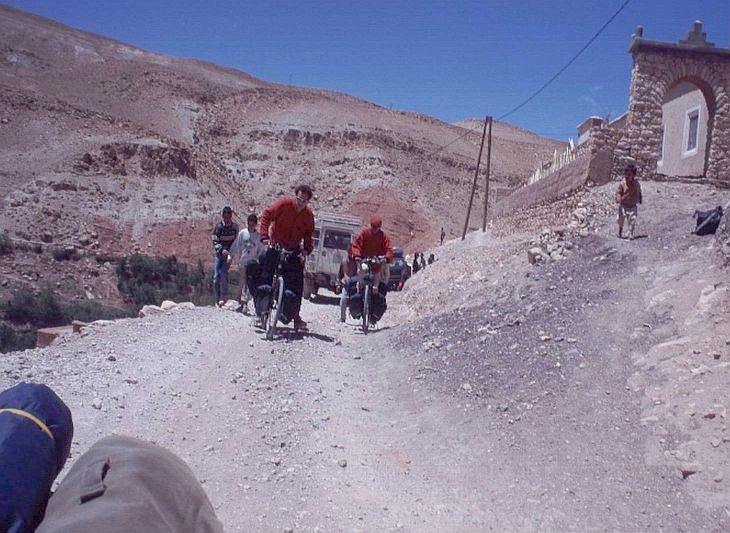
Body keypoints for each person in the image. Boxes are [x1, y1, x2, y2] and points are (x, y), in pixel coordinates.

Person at [258, 184, 315, 331]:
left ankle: (295, 317)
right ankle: (260, 312)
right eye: (298, 199)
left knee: (297, 283)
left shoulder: (308, 216)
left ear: (308, 202)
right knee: (264, 274)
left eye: (304, 201)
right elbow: (266, 215)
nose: (300, 203)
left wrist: (306, 249)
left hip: (292, 251)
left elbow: (309, 235)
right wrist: (264, 236)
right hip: (275, 245)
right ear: (295, 196)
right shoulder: (283, 204)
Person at [229, 213, 266, 315]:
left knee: (248, 284)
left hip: (252, 264)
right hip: (242, 263)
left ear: (255, 224)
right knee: (241, 284)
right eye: (250, 223)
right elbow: (237, 245)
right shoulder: (242, 233)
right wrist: (231, 256)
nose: (251, 225)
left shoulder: (258, 237)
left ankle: (244, 303)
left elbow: (261, 250)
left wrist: (257, 259)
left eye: (253, 224)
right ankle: (240, 303)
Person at [211, 206, 239, 307]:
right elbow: (214, 240)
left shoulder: (234, 228)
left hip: (229, 254)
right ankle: (217, 299)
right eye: (225, 217)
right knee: (216, 277)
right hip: (219, 254)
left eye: (229, 217)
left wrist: (231, 255)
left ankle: (224, 297)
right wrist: (222, 250)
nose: (227, 219)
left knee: (224, 274)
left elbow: (236, 242)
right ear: (223, 216)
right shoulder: (218, 227)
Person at [615, 163, 643, 239]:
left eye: (629, 175)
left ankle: (631, 233)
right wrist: (618, 198)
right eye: (626, 174)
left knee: (632, 220)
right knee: (621, 219)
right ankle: (620, 231)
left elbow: (639, 192)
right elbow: (618, 192)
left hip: (633, 205)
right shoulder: (622, 183)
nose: (627, 176)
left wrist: (640, 198)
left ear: (633, 175)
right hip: (623, 205)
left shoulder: (636, 184)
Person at [337, 244, 358, 322]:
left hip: (356, 284)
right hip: (347, 285)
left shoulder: (357, 261)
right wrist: (339, 283)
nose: (351, 253)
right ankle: (342, 318)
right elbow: (339, 275)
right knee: (343, 299)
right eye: (349, 251)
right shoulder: (344, 261)